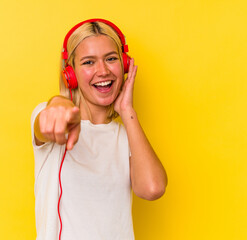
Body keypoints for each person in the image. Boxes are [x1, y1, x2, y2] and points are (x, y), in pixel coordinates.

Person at [31, 19, 168, 240]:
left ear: (124, 64)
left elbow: (152, 188)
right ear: (70, 74)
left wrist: (127, 110)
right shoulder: (50, 117)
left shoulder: (126, 137)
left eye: (111, 59)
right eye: (88, 62)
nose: (102, 71)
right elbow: (48, 121)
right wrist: (59, 103)